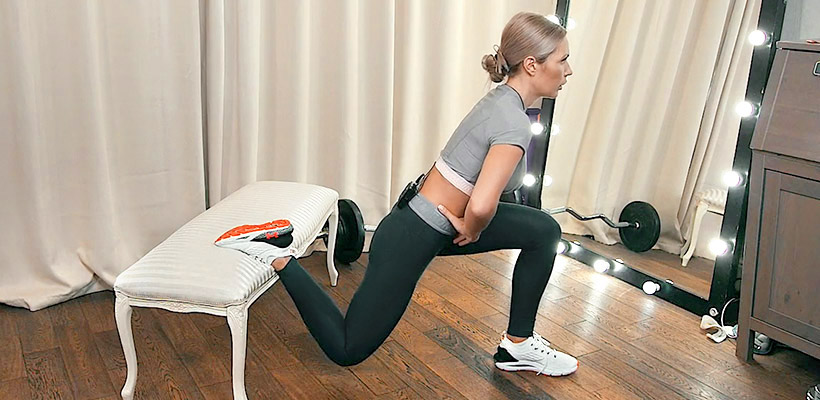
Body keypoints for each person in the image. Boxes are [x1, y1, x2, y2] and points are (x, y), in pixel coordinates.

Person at [216, 11, 576, 376]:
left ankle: (517, 346)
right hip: (414, 234)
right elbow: (482, 205)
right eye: (562, 60)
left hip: (426, 221)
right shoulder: (514, 122)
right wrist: (473, 227)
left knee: (543, 230)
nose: (568, 70)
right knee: (346, 347)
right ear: (532, 64)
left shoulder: (502, 100)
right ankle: (279, 254)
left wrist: (471, 222)